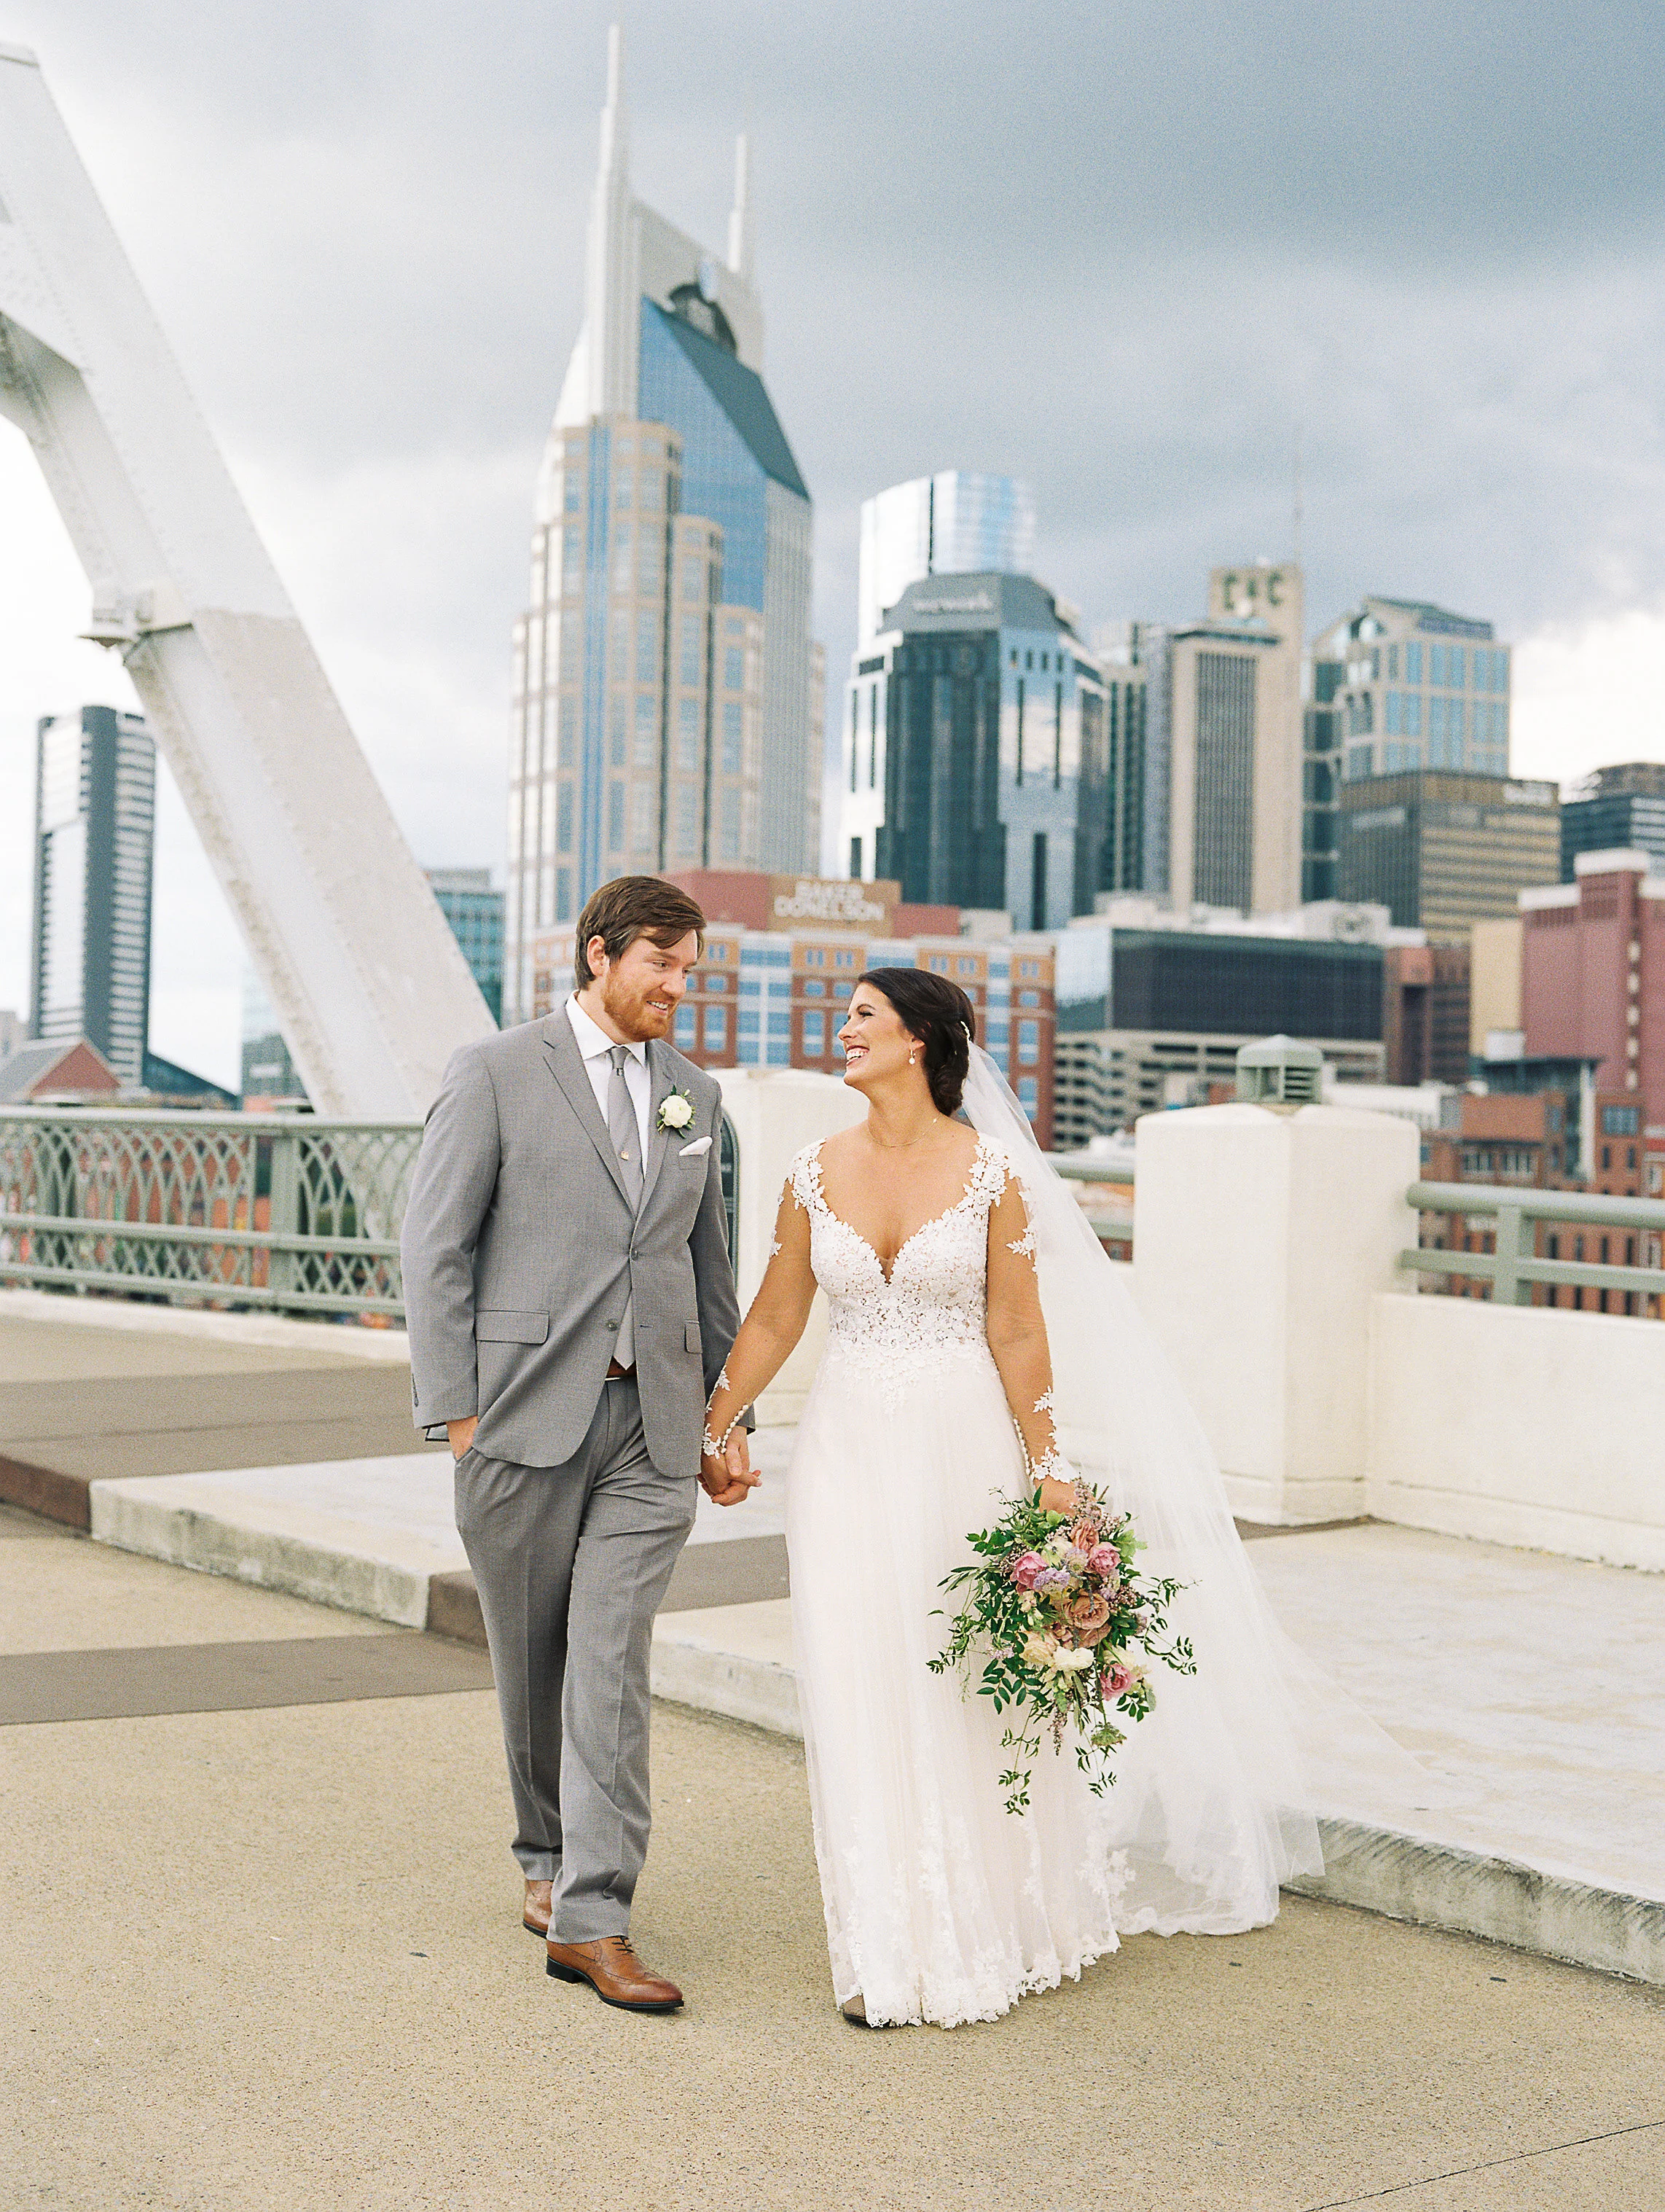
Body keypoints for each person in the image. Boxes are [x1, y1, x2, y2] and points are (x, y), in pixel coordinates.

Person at [700, 967, 1350, 2030]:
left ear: (919, 1041)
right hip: (848, 1451)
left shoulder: (993, 1171)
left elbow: (1016, 1330)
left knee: (961, 1678)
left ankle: (1001, 1921)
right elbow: (774, 1316)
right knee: (858, 1676)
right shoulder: (811, 1169)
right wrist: (715, 1420)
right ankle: (887, 1940)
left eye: (864, 1015)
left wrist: (1049, 1465)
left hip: (964, 1444)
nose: (844, 1029)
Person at [401, 875, 754, 2014]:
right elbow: (435, 1248)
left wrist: (725, 1416)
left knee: (609, 1660)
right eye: (662, 961)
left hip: (650, 1431)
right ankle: (543, 1859)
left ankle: (595, 1916)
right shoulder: (495, 1069)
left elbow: (709, 1276)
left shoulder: (697, 1099)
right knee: (533, 1661)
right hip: (519, 1416)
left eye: (689, 968)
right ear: (600, 955)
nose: (676, 987)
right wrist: (457, 1414)